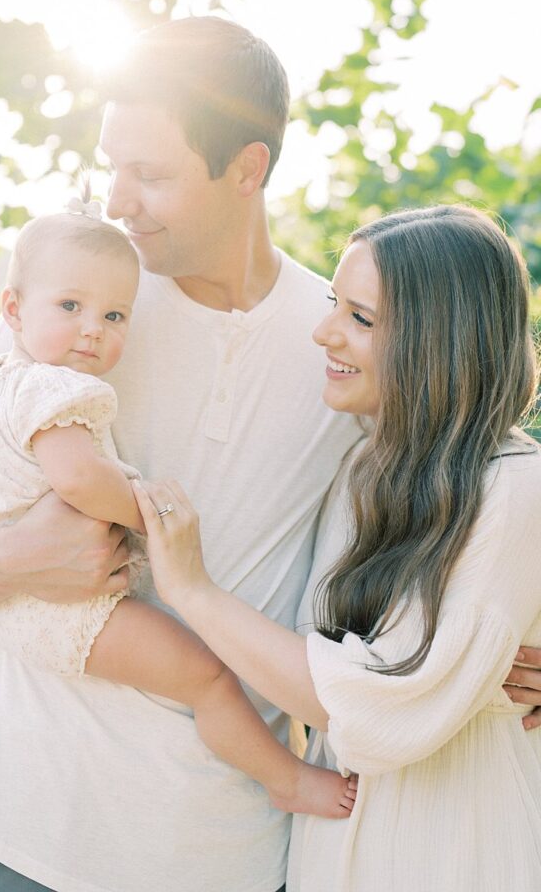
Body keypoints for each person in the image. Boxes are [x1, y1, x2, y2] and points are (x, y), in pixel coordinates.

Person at [0, 17, 541, 892]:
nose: (118, 202)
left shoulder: (345, 341)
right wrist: (6, 557)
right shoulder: (84, 308)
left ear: (248, 169)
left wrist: (500, 651)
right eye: (112, 166)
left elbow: (468, 481)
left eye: (151, 175)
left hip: (229, 851)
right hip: (30, 824)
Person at [0, 209, 353, 820]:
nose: (92, 331)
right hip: (66, 606)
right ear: (14, 310)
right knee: (206, 677)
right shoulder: (57, 392)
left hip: (0, 611)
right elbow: (78, 479)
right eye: (70, 307)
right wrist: (148, 509)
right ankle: (283, 777)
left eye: (114, 316)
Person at [133, 204, 541, 892]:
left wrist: (192, 591)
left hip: (454, 850)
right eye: (333, 303)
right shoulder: (363, 469)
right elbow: (328, 669)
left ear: (438, 340)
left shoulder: (514, 488)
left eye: (361, 318)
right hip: (337, 846)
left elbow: (377, 712)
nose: (324, 332)